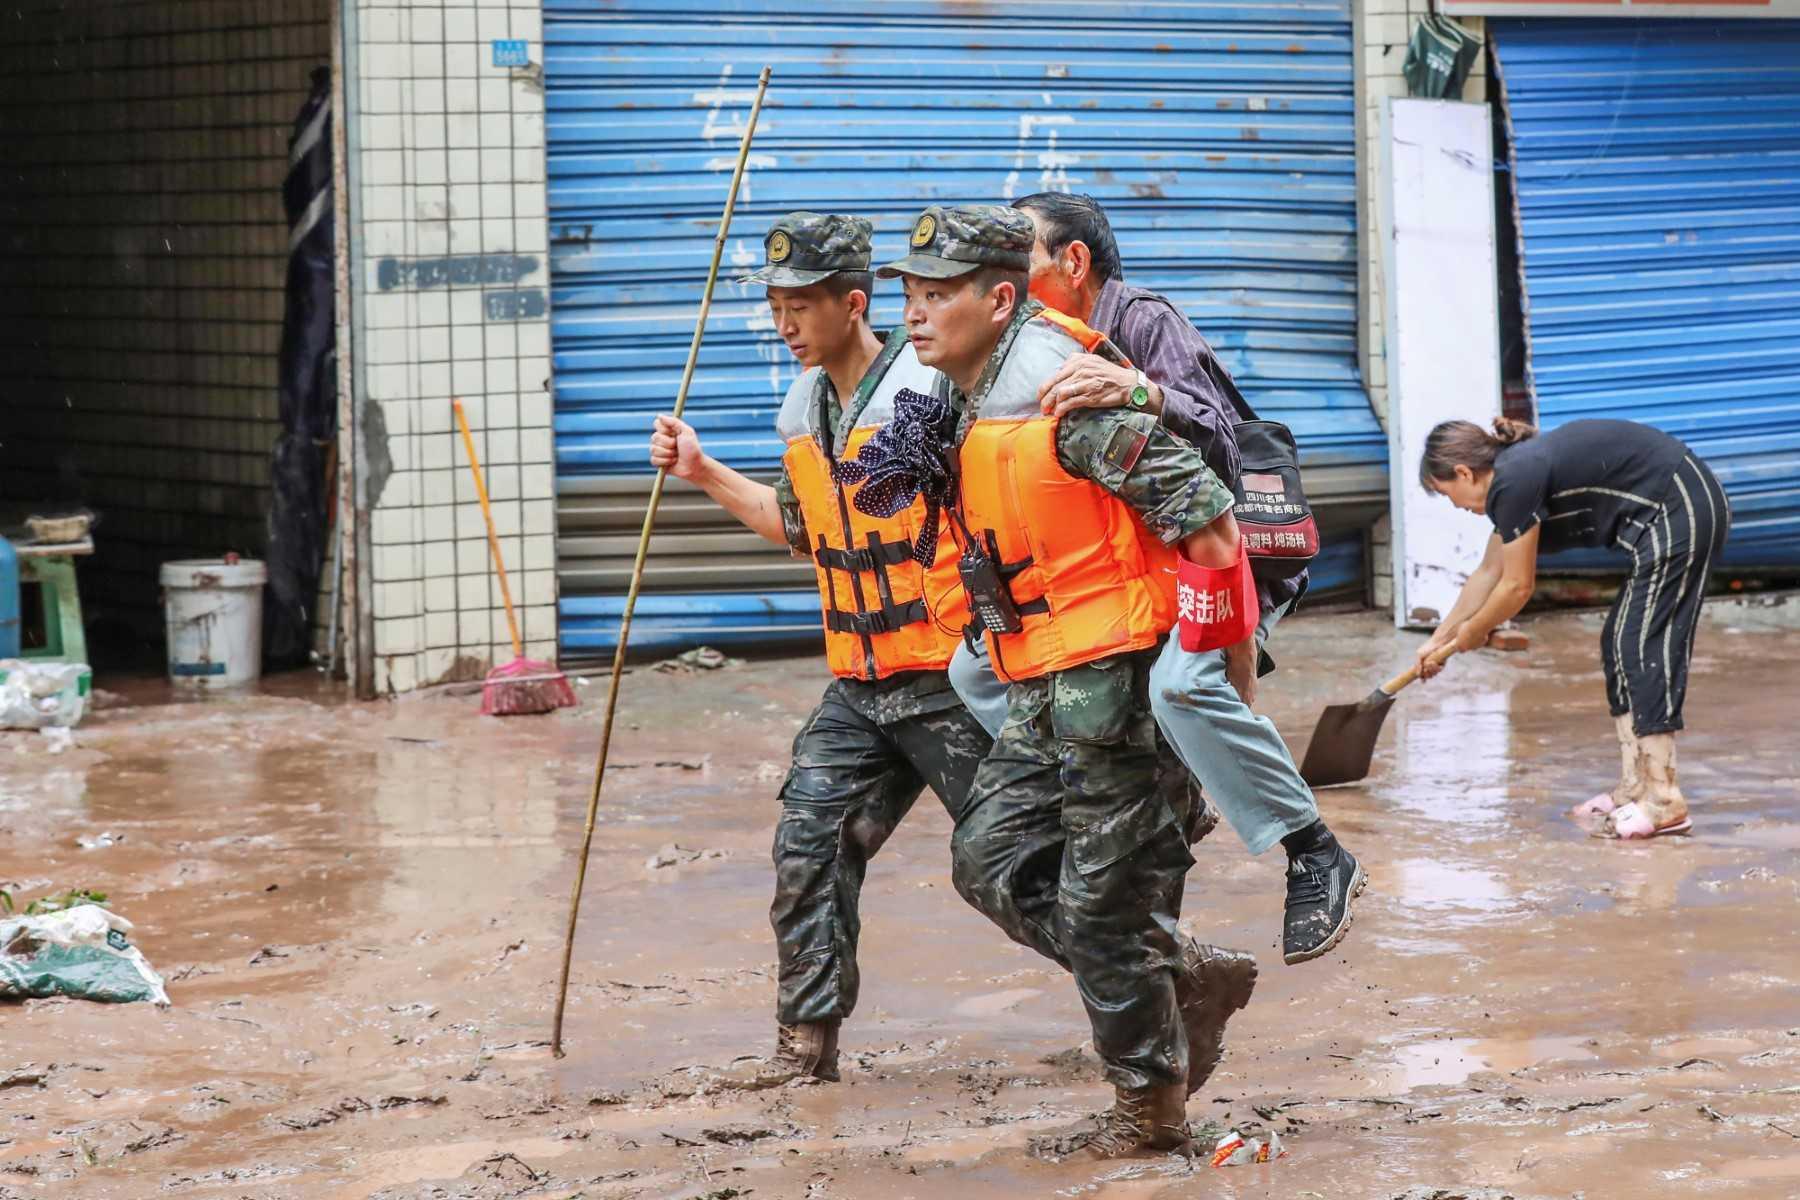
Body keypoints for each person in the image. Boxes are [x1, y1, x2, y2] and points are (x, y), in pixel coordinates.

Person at [875, 203, 1259, 1158]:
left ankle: (1152, 1115)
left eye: (937, 297)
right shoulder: (963, 404)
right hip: (1041, 685)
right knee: (988, 862)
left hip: (1124, 691)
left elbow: (1214, 528)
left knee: (1103, 906)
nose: (915, 317)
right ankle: (1181, 972)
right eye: (910, 297)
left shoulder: (1063, 402)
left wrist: (1220, 707)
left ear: (1002, 299)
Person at [946, 191, 1365, 965]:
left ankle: (1314, 851)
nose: (999, 277)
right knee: (973, 668)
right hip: (1127, 568)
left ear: (1073, 262)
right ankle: (1127, 791)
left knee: (1182, 688)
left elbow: (1216, 438)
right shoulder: (1014, 344)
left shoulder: (1141, 321)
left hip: (1220, 547)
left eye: (1021, 257)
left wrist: (1135, 388)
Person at [647, 213, 996, 1085]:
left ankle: (1165, 981)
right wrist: (701, 470)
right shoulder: (806, 409)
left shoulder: (932, 390)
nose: (786, 324)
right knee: (808, 843)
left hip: (952, 677)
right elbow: (799, 530)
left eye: (802, 305)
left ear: (853, 303)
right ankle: (805, 1051)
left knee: (1013, 869)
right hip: (861, 682)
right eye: (775, 307)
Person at [1416, 416, 1730, 840]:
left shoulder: (1514, 478)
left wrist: (1474, 630)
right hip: (1667, 515)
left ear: (1463, 472)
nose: (1455, 506)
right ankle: (1635, 787)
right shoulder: (1514, 478)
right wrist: (1440, 638)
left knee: (1641, 644)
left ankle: (1664, 798)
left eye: (1447, 494)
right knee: (1618, 642)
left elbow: (1517, 587)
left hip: (1681, 508)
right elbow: (1489, 572)